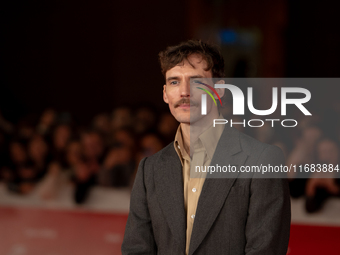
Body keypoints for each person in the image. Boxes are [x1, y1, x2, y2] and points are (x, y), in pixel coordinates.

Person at [122, 40, 291, 255]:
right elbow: (136, 249)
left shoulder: (262, 160)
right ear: (165, 93)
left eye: (195, 81)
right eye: (174, 82)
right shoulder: (150, 169)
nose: (184, 92)